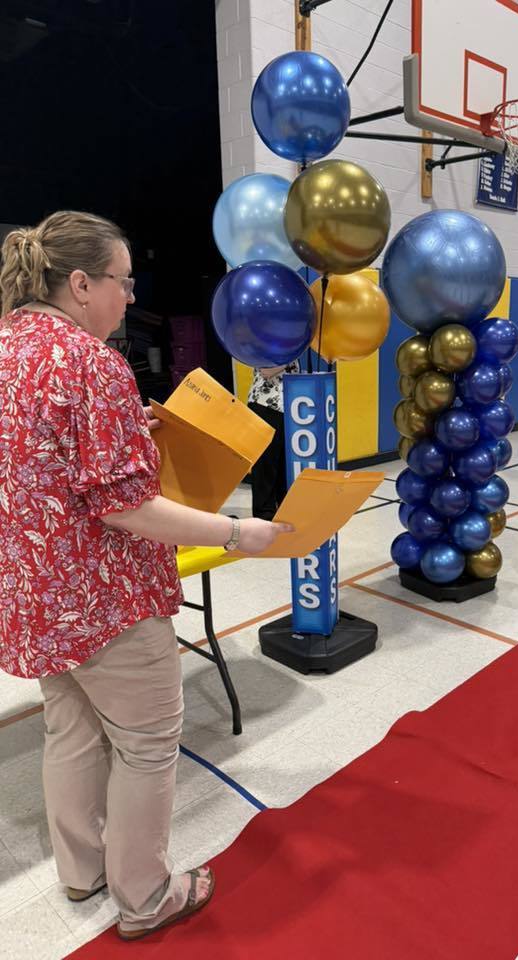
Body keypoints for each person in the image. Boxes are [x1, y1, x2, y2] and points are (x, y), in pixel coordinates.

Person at [0, 211, 292, 940]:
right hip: (104, 599)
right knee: (147, 744)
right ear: (78, 283)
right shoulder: (90, 361)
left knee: (69, 730)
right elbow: (127, 508)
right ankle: (146, 896)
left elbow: (45, 457)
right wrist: (236, 533)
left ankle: (82, 871)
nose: (131, 298)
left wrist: (129, 426)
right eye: (122, 283)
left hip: (37, 593)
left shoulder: (9, 346)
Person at [247, 361, 299, 519]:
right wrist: (292, 356)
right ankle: (264, 519)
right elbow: (266, 371)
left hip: (287, 407)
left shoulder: (291, 342)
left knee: (283, 467)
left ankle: (283, 517)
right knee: (265, 468)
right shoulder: (269, 341)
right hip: (265, 405)